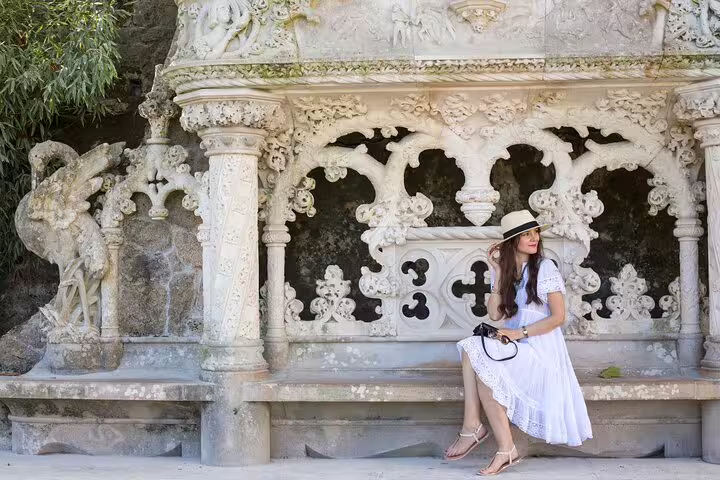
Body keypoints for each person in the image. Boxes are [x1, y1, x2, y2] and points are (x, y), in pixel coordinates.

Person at [444, 209, 592, 475]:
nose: (534, 238)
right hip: (517, 348)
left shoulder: (545, 268)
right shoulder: (508, 272)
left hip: (540, 350)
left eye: (535, 232)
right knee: (474, 353)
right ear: (513, 242)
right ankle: (503, 447)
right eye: (526, 234)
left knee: (475, 353)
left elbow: (558, 317)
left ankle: (473, 428)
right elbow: (495, 314)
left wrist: (520, 333)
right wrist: (498, 271)